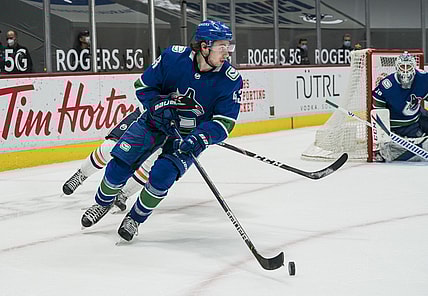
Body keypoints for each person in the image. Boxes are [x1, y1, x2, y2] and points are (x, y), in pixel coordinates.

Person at [80, 19, 243, 242]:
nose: (227, 52)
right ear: (205, 46)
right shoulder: (173, 57)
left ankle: (134, 219)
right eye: (222, 46)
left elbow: (224, 122)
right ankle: (102, 203)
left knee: (162, 177)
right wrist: (158, 105)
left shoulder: (230, 80)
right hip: (153, 123)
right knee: (119, 165)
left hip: (187, 137)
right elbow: (143, 86)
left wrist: (200, 138)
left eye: (229, 46)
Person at [62, 107, 161, 211]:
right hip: (145, 114)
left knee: (151, 165)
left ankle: (122, 195)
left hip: (167, 130)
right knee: (109, 146)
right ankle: (82, 174)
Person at [372, 51, 428, 161]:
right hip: (397, 128)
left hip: (416, 119)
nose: (406, 70)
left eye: (409, 66)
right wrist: (383, 137)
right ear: (397, 68)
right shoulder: (387, 86)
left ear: (414, 67)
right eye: (403, 66)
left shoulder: (423, 79)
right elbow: (378, 113)